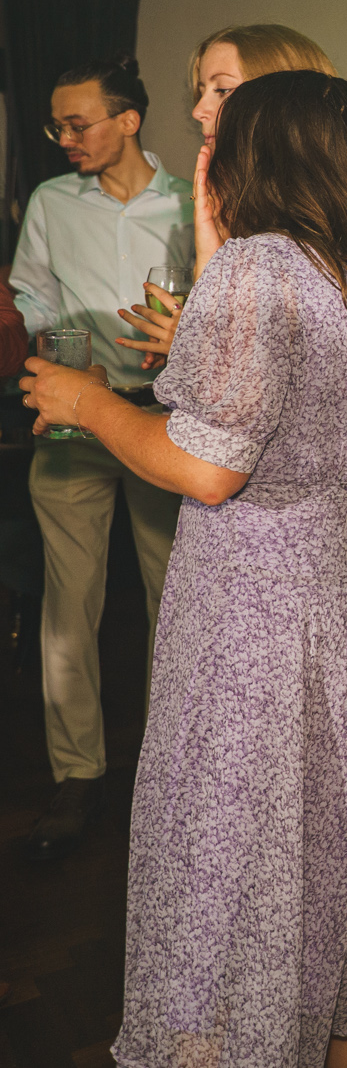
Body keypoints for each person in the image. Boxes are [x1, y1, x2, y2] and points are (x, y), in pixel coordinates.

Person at [24, 70, 347, 1067]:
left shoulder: (258, 271)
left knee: (238, 861)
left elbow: (209, 465)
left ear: (254, 158)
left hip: (260, 615)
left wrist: (87, 403)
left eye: (221, 140)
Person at [11, 54, 192, 861]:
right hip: (73, 423)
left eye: (77, 122)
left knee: (174, 604)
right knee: (67, 607)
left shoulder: (191, 204)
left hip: (161, 423)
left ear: (129, 119)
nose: (65, 138)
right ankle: (76, 774)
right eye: (56, 125)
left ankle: (169, 772)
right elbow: (33, 292)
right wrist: (61, 345)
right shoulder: (52, 202)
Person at [113, 23, 337, 368]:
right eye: (202, 91)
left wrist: (194, 343)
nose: (198, 110)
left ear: (282, 100)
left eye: (222, 90)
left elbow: (261, 380)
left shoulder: (292, 241)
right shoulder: (243, 213)